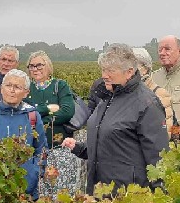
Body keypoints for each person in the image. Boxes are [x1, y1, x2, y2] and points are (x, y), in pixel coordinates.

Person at [61, 43, 169, 194]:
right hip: (99, 192)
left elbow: (158, 157)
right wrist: (81, 148)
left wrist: (159, 198)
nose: (104, 75)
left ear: (129, 72)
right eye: (103, 70)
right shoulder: (108, 97)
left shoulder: (147, 104)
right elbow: (111, 140)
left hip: (127, 197)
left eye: (111, 70)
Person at [0, 69, 47, 201]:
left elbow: (41, 151)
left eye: (17, 87)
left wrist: (33, 175)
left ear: (26, 93)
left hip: (26, 190)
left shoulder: (32, 116)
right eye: (8, 85)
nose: (12, 90)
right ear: (1, 89)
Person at [24, 51, 76, 197]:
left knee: (60, 191)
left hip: (58, 147)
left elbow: (67, 111)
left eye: (39, 65)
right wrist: (49, 108)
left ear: (48, 66)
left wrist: (39, 116)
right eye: (31, 66)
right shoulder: (26, 89)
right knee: (36, 191)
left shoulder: (60, 86)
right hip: (33, 150)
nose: (35, 69)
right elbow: (26, 116)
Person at [132, 47, 174, 137]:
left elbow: (166, 132)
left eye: (136, 66)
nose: (132, 71)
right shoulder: (123, 93)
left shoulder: (160, 94)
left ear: (146, 68)